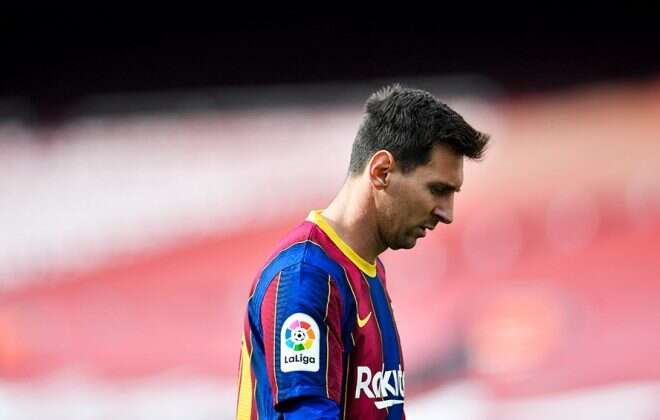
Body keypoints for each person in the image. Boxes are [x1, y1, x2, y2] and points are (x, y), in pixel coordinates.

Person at [235, 84, 489, 419]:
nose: (447, 213)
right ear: (382, 171)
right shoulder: (306, 276)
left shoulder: (367, 271)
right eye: (437, 189)